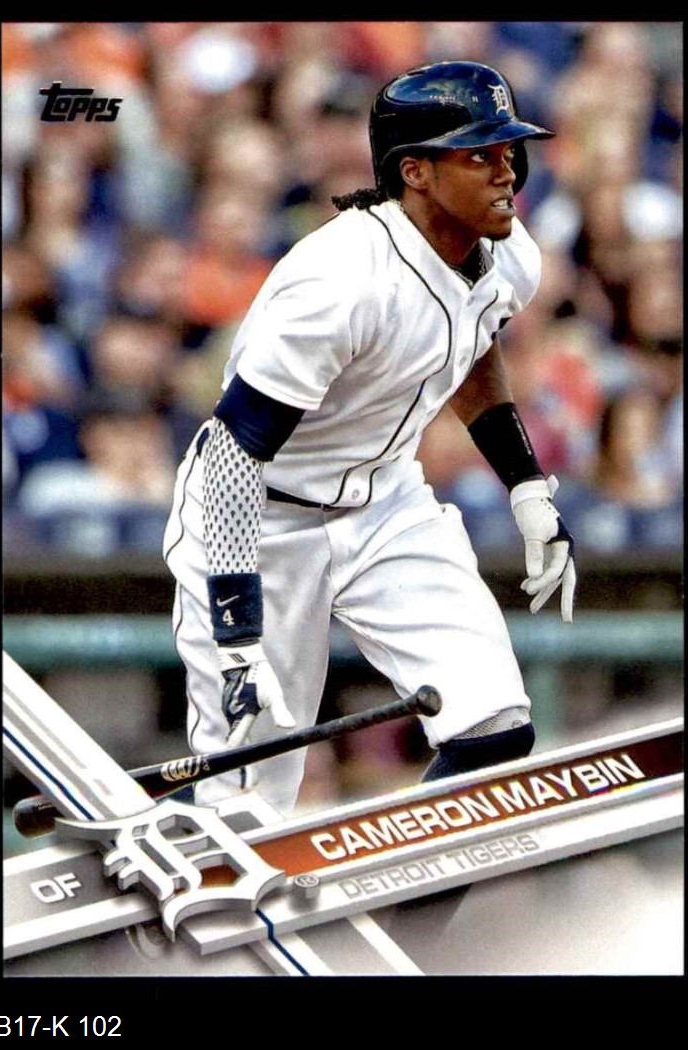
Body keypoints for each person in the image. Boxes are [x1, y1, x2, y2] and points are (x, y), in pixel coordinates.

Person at [163, 60, 577, 817]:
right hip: (262, 520)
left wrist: (525, 485)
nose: (506, 171)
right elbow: (231, 455)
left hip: (386, 500)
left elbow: (469, 342)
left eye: (509, 150)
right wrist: (237, 629)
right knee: (246, 804)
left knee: (493, 729)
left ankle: (403, 895)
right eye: (478, 154)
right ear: (414, 172)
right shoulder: (339, 280)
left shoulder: (508, 250)